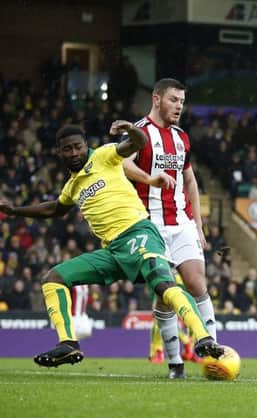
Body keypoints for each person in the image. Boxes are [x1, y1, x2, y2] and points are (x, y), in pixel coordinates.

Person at [0, 122, 224, 372]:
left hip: (139, 233)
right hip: (113, 251)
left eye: (78, 146)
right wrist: (14, 211)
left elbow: (138, 143)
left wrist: (130, 129)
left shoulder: (105, 155)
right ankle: (68, 344)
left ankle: (204, 338)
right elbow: (53, 208)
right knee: (54, 278)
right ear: (59, 152)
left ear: (86, 146)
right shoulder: (73, 187)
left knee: (163, 285)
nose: (74, 152)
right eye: (67, 149)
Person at [122, 78, 218, 376]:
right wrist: (151, 179)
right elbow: (122, 164)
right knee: (165, 292)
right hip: (150, 226)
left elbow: (190, 180)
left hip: (182, 222)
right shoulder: (139, 132)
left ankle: (213, 348)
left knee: (196, 282)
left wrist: (199, 227)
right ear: (157, 99)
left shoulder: (181, 137)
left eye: (182, 101)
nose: (179, 106)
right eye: (174, 100)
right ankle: (175, 362)